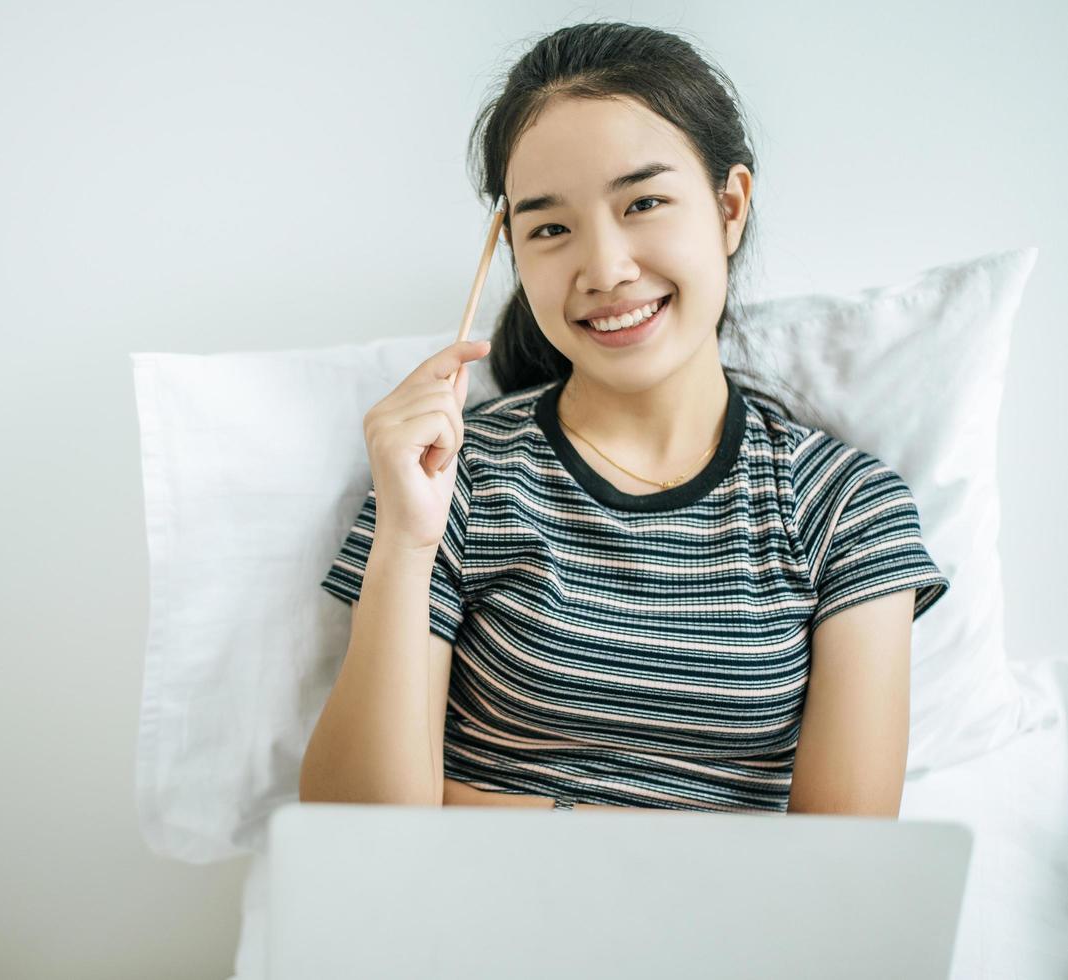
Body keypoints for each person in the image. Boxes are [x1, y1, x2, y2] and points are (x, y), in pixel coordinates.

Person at [300, 21, 949, 817]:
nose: (604, 268)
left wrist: (486, 808)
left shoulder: (845, 509)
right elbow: (358, 830)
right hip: (455, 929)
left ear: (729, 207)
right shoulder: (446, 475)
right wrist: (406, 538)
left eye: (642, 202)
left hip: (727, 942)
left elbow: (839, 861)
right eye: (549, 228)